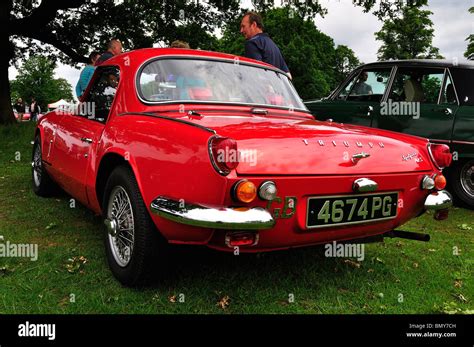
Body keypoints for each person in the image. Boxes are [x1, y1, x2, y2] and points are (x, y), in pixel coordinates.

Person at [240, 12, 292, 79]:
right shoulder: (274, 46)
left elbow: (256, 74)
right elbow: (289, 76)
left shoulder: (252, 43)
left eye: (243, 26)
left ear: (253, 25)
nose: (241, 30)